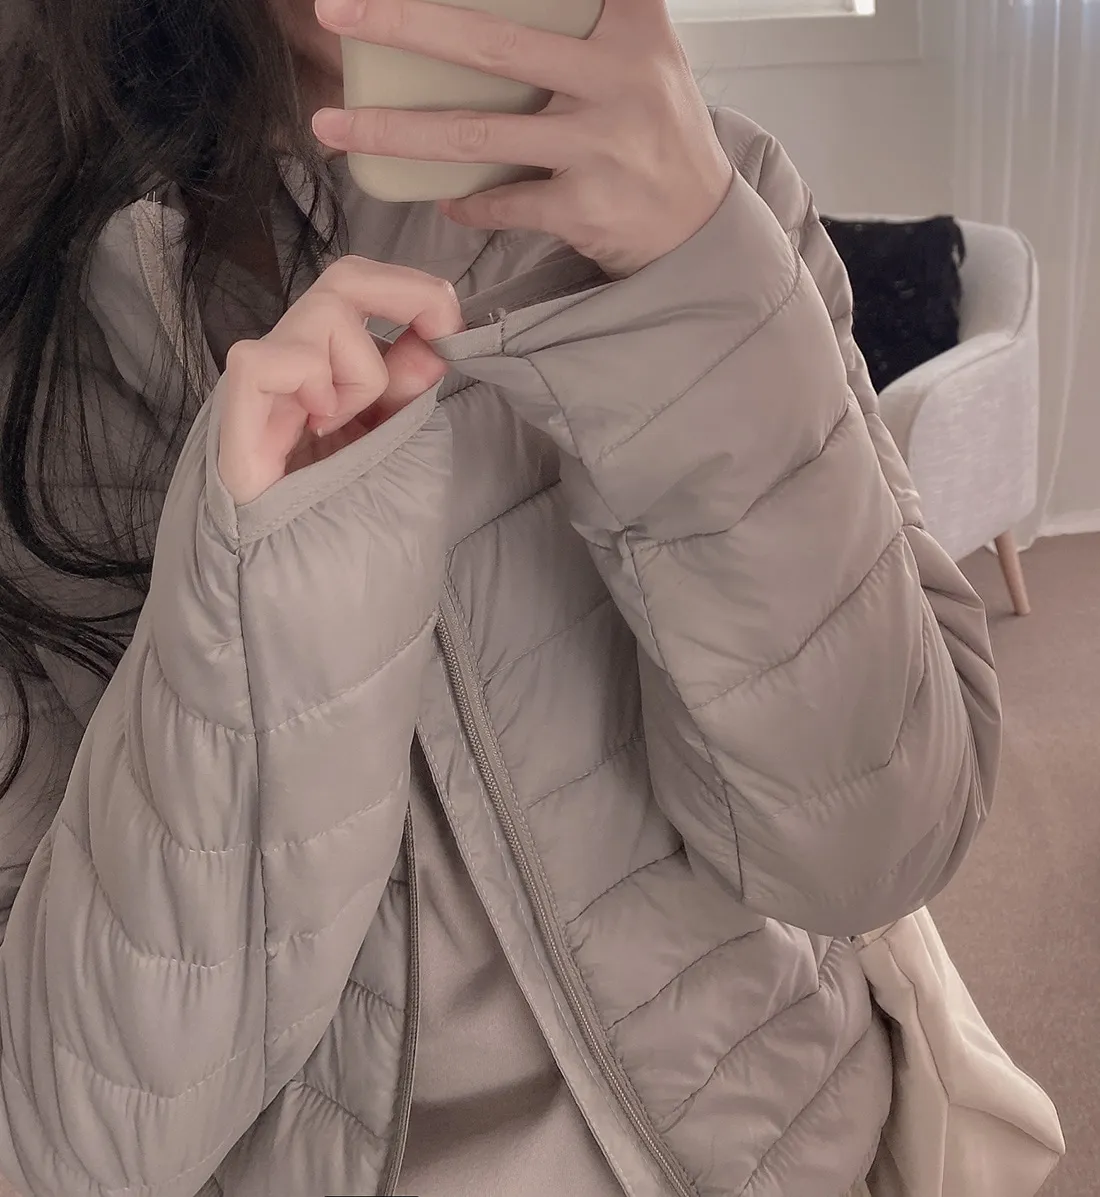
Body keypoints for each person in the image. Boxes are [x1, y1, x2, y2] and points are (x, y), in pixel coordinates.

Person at [0, 0, 1002, 1194]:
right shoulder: (44, 320)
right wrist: (274, 617)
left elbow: (874, 852)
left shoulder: (713, 190)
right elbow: (64, 1148)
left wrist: (696, 288)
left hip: (795, 1145)